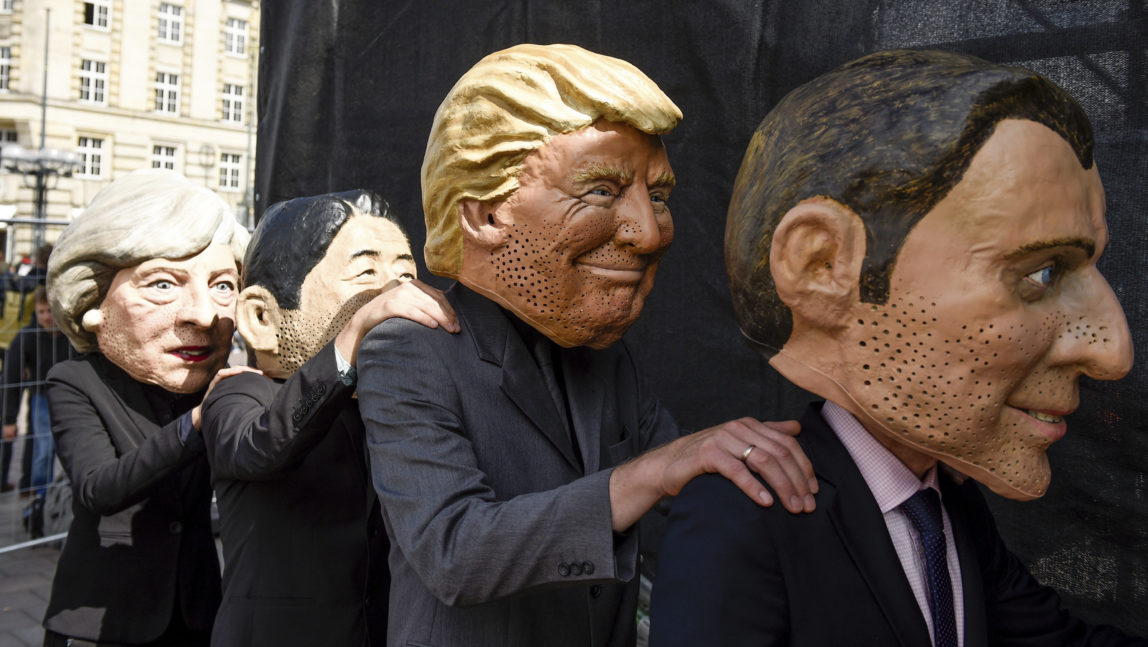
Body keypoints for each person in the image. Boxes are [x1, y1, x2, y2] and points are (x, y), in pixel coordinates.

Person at [650, 49, 1145, 646]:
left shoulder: (949, 502)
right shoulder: (740, 517)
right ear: (822, 263)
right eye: (1040, 273)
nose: (1113, 352)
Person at [357, 43, 818, 647]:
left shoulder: (608, 361)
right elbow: (455, 551)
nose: (648, 232)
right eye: (601, 191)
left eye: (656, 196)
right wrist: (650, 472)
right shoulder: (410, 353)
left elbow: (688, 499)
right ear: (485, 214)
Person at [201, 190, 458, 646]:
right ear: (262, 317)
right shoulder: (240, 393)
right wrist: (354, 331)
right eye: (365, 272)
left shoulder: (389, 409)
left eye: (405, 273)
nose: (396, 292)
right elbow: (261, 447)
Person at [42, 169, 249, 647]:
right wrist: (194, 425)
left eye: (222, 285)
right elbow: (97, 488)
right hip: (103, 619)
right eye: (161, 285)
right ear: (93, 301)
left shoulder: (215, 381)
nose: (202, 313)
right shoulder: (76, 381)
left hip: (195, 613)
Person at [1, 286, 77, 536]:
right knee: (43, 451)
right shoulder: (26, 336)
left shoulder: (72, 336)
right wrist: (9, 419)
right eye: (41, 311)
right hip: (42, 399)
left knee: (73, 450)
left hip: (74, 399)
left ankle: (69, 497)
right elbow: (11, 379)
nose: (47, 317)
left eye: (50, 311)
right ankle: (41, 502)